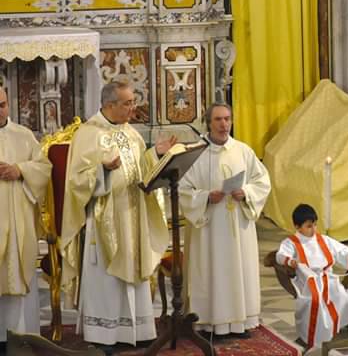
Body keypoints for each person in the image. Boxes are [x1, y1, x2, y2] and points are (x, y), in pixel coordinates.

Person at [61, 82, 173, 347]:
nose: (133, 108)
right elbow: (75, 181)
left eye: (133, 101)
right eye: (128, 103)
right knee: (107, 279)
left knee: (134, 270)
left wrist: (156, 154)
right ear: (109, 105)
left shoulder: (131, 133)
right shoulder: (88, 134)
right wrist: (103, 171)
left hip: (133, 214)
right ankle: (105, 335)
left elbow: (139, 168)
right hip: (104, 220)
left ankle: (137, 330)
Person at [179, 102, 271, 336]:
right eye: (218, 120)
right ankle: (210, 321)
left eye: (227, 119)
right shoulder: (195, 153)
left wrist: (247, 193)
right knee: (212, 271)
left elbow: (262, 181)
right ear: (208, 123)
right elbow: (182, 189)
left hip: (238, 225)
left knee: (239, 269)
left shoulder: (243, 150)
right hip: (209, 228)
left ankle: (240, 322)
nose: (224, 124)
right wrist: (205, 197)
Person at [276, 204, 348, 350]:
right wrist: (290, 261)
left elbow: (342, 251)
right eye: (308, 226)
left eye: (315, 225)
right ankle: (313, 339)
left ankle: (338, 329)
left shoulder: (323, 240)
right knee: (316, 302)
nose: (313, 229)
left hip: (328, 280)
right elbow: (280, 255)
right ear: (297, 226)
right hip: (306, 281)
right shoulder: (291, 242)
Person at [0, 87, 51, 346]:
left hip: (18, 224)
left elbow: (44, 168)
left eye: (2, 104)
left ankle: (19, 338)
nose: (0, 111)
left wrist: (20, 170)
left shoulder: (24, 135)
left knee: (16, 276)